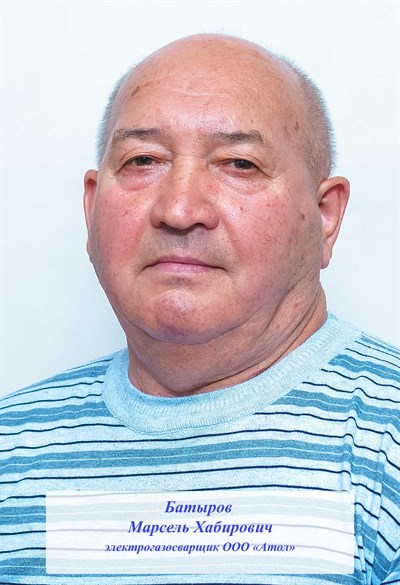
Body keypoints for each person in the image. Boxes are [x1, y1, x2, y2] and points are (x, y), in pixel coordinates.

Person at [0, 34, 398, 585]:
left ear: (325, 216)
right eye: (143, 160)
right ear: (92, 208)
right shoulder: (11, 448)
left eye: (239, 163)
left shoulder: (387, 437)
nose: (180, 209)